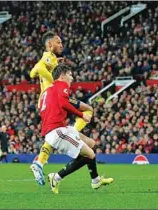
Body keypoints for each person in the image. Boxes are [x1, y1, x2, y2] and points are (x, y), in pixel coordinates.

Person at [29, 31, 94, 186]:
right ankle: (74, 133)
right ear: (49, 44)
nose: (61, 45)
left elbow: (33, 72)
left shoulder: (52, 60)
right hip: (54, 97)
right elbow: (36, 69)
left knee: (53, 132)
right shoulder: (48, 57)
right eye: (58, 42)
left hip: (48, 98)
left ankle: (39, 163)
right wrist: (53, 79)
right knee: (88, 110)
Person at [39, 63, 113, 194]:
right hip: (57, 131)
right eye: (70, 75)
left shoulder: (48, 91)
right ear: (62, 76)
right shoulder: (61, 85)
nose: (72, 78)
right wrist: (82, 115)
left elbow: (57, 104)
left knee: (91, 144)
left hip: (59, 128)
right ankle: (56, 177)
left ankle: (95, 180)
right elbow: (64, 103)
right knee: (90, 154)